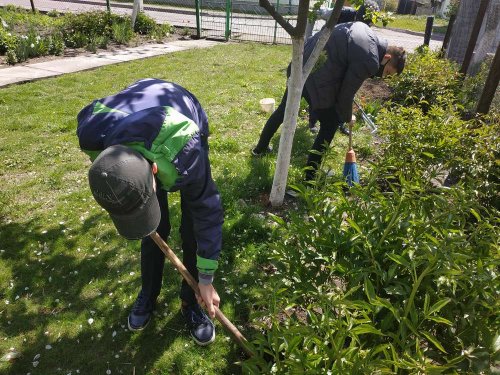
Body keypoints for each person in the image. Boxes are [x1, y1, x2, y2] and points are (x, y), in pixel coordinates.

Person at [76, 79, 224, 346]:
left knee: (192, 228)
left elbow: (208, 211)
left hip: (180, 120)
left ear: (154, 171)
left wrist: (205, 279)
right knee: (154, 228)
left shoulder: (187, 150)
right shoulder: (91, 134)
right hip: (139, 110)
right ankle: (149, 292)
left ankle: (191, 302)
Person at [252, 22, 406, 181]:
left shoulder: (364, 30)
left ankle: (259, 148)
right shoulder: (371, 59)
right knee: (330, 125)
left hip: (301, 65)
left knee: (284, 110)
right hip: (316, 79)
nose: (382, 77)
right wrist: (347, 117)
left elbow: (346, 79)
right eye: (386, 72)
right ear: (386, 58)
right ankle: (310, 178)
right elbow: (345, 95)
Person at [306, 0, 381, 135]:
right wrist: (309, 38)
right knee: (317, 88)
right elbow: (315, 14)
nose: (367, 26)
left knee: (344, 91)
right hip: (327, 53)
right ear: (359, 13)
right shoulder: (344, 13)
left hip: (343, 61)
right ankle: (312, 121)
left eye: (370, 23)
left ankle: (339, 123)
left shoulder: (365, 28)